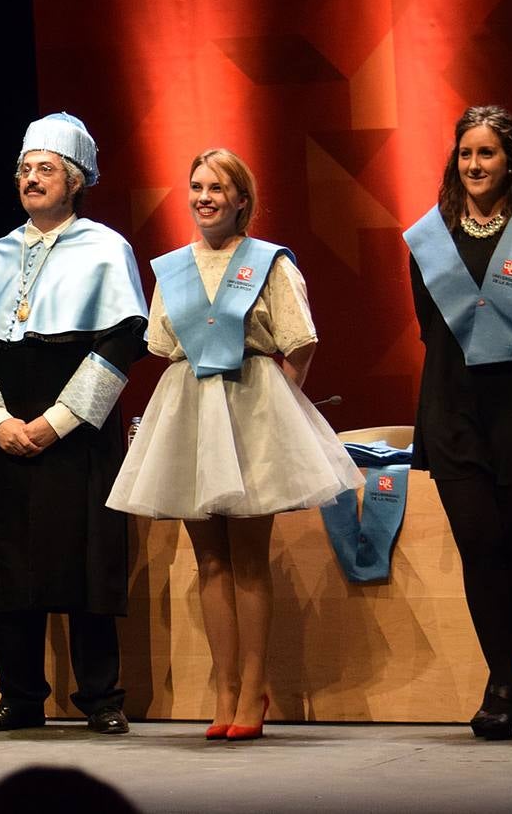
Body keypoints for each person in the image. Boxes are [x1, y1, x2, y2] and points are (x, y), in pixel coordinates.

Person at [107, 148, 361, 740]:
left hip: (251, 405)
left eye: (217, 187)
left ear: (241, 199)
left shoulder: (268, 263)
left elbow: (299, 341)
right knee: (210, 559)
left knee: (249, 559)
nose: (204, 197)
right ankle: (223, 687)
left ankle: (254, 686)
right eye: (196, 186)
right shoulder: (172, 268)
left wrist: (275, 411)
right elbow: (163, 342)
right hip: (192, 409)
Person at [0, 112, 148, 734]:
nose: (31, 180)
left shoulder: (107, 249)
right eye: (24, 170)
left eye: (45, 169)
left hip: (77, 432)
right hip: (10, 426)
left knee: (87, 559)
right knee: (14, 563)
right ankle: (20, 695)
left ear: (76, 180)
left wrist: (57, 421)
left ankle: (100, 696)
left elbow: (121, 343)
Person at [402, 106, 512, 739]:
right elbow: (429, 325)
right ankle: (504, 678)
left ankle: (506, 685)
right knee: (479, 544)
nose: (475, 165)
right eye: (466, 154)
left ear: (511, 162)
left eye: (487, 154)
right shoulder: (431, 236)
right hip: (454, 407)